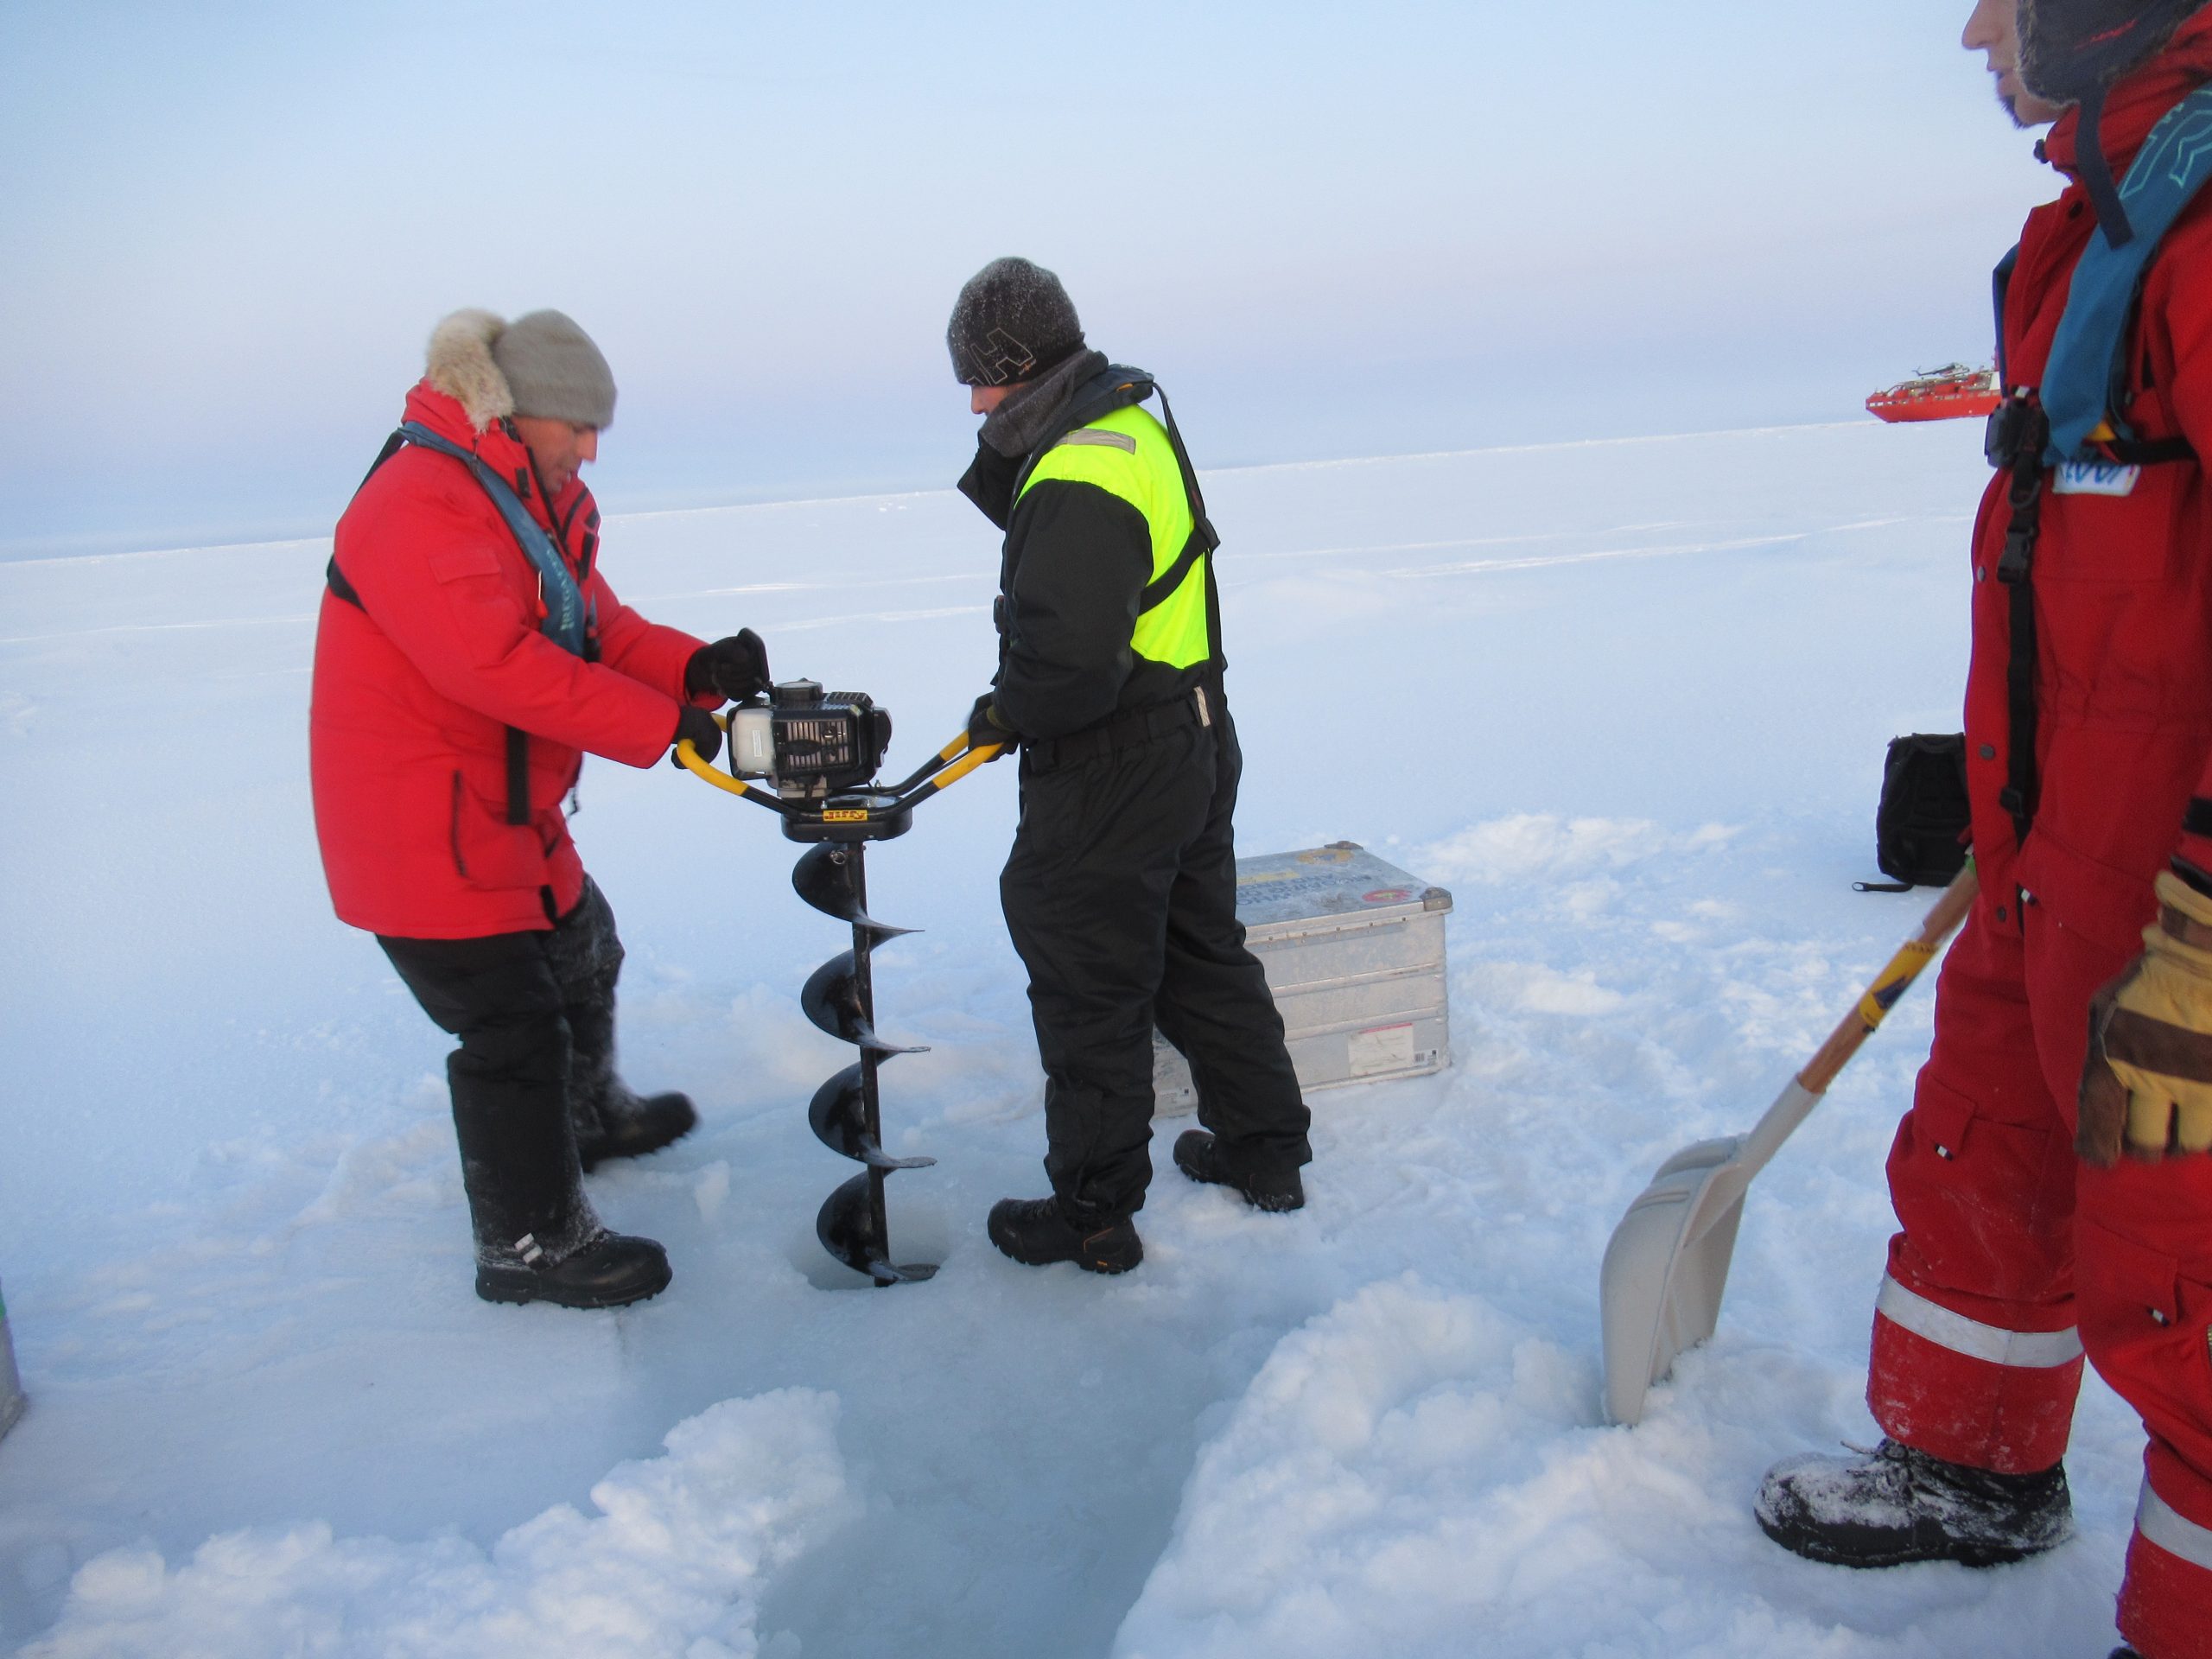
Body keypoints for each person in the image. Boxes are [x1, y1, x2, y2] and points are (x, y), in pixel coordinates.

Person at [1753, 6, 2212, 1655]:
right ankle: (1973, 1467)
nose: (1970, 29)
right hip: (2053, 852)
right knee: (1990, 1159)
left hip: (2181, 906)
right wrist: (2007, 816)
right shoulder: (2113, 216)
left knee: (2192, 1279)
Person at [309, 308, 772, 1309]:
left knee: (581, 944)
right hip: (421, 824)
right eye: (578, 426)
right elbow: (499, 667)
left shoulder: (524, 500)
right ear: (517, 413)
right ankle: (531, 1245)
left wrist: (692, 670)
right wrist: (661, 730)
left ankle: (589, 1115)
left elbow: (591, 626)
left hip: (505, 806)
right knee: (510, 1029)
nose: (591, 448)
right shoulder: (420, 502)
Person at [944, 257, 1313, 1274]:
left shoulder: (1072, 472)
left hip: (1114, 762)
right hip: (1193, 727)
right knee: (1199, 952)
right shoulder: (1132, 424)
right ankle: (1264, 1152)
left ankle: (1094, 1214)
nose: (973, 401)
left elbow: (1066, 666)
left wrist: (1009, 709)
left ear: (1022, 366)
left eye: (980, 376)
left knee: (1088, 981)